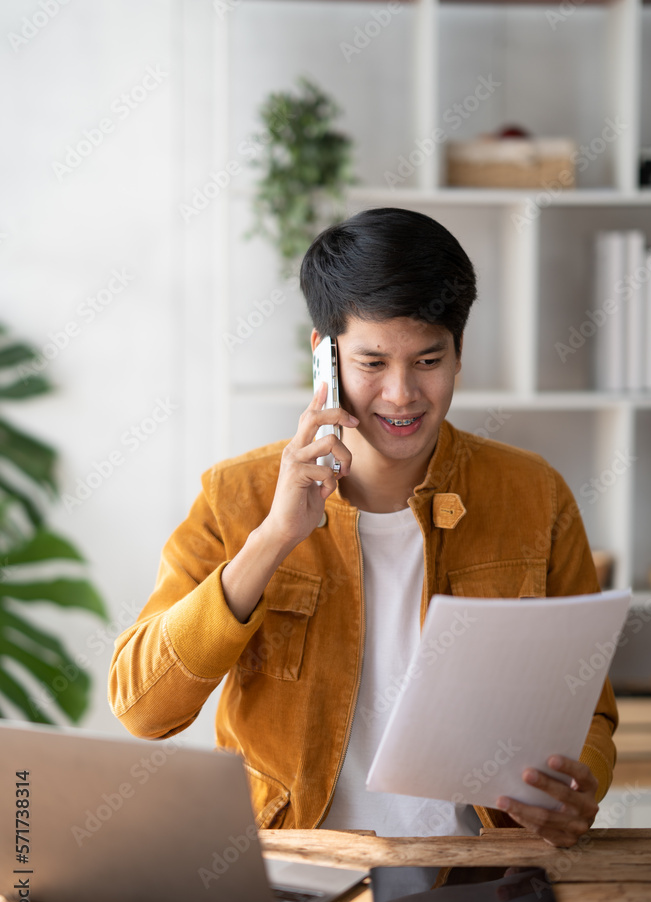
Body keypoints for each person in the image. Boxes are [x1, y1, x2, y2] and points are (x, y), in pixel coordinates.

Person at [109, 207, 617, 848]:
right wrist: (272, 538)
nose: (402, 394)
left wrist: (578, 785)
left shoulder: (534, 495)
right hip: (296, 867)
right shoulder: (233, 497)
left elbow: (588, 709)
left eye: (428, 360)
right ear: (324, 357)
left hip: (486, 869)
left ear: (459, 355)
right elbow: (141, 707)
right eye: (372, 363)